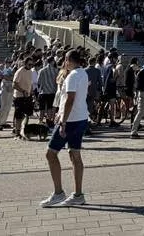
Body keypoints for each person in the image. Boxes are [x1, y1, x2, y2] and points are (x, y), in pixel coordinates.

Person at [41, 49, 88, 208]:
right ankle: (78, 194)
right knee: (75, 154)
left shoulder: (72, 76)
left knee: (50, 153)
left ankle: (58, 192)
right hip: (81, 117)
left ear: (68, 60)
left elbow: (70, 99)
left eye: (64, 60)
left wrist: (63, 121)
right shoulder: (83, 73)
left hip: (70, 120)